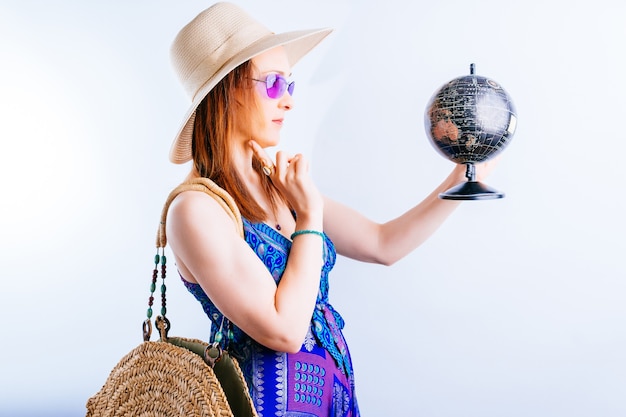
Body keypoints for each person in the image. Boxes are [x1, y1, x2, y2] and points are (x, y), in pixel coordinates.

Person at [165, 3, 497, 416]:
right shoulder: (195, 209)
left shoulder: (279, 188)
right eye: (272, 84)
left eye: (290, 85)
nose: (287, 101)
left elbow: (383, 244)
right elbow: (283, 330)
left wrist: (462, 177)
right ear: (226, 89)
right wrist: (309, 216)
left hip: (331, 401)